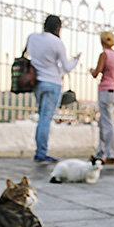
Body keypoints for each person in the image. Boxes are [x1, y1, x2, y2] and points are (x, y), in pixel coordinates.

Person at [27, 15, 81, 163]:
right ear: (58, 27)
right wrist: (76, 60)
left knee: (41, 118)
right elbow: (66, 68)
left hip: (37, 83)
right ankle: (41, 153)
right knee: (45, 119)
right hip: (52, 83)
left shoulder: (32, 37)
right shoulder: (57, 42)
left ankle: (40, 151)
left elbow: (28, 54)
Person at [88, 31, 114, 165]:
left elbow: (97, 73)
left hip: (104, 91)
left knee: (107, 124)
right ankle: (100, 153)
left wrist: (91, 70)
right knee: (103, 122)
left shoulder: (104, 55)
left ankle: (111, 155)